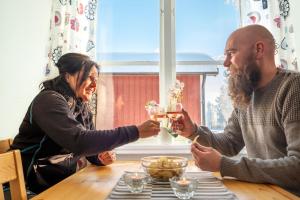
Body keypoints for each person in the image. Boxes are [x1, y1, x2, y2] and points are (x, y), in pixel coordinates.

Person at [176, 24, 300, 196]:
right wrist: (193, 131)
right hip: (263, 193)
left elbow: (297, 167)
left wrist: (223, 165)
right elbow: (229, 143)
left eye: (231, 53)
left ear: (258, 50)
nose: (226, 63)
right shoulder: (246, 95)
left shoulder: (293, 88)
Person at [11, 53, 160, 193]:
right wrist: (136, 131)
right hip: (27, 186)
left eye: (97, 79)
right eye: (90, 77)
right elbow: (80, 141)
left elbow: (88, 147)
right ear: (67, 76)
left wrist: (100, 157)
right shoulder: (49, 100)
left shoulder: (81, 106)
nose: (94, 85)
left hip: (58, 182)